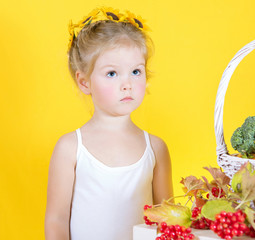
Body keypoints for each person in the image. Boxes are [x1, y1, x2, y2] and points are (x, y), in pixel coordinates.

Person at [44, 7, 173, 240]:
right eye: (112, 73)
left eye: (136, 71)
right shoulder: (70, 148)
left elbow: (167, 221)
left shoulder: (156, 148)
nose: (127, 84)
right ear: (84, 82)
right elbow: (56, 219)